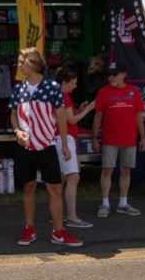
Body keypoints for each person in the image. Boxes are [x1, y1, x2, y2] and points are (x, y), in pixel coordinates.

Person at [8, 47, 82, 248]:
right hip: (25, 147)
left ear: (33, 63)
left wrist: (65, 144)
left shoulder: (52, 87)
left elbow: (61, 117)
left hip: (48, 146)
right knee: (28, 187)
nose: (19, 65)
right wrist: (16, 131)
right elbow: (13, 114)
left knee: (55, 189)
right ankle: (29, 228)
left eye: (22, 61)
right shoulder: (18, 89)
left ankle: (58, 232)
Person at [91, 62, 145, 218]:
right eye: (110, 75)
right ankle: (105, 203)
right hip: (110, 138)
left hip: (129, 138)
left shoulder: (133, 91)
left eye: (115, 74)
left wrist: (143, 137)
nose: (111, 78)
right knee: (107, 170)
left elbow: (138, 116)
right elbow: (98, 116)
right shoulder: (103, 92)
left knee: (126, 170)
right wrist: (94, 137)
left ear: (124, 75)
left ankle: (123, 203)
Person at [57, 69, 95, 228]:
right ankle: (72, 217)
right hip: (65, 139)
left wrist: (79, 109)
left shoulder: (60, 96)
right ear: (64, 83)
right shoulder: (63, 96)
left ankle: (56, 213)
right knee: (73, 177)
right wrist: (87, 110)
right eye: (73, 84)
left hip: (61, 139)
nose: (75, 87)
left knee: (62, 179)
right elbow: (71, 121)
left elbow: (68, 117)